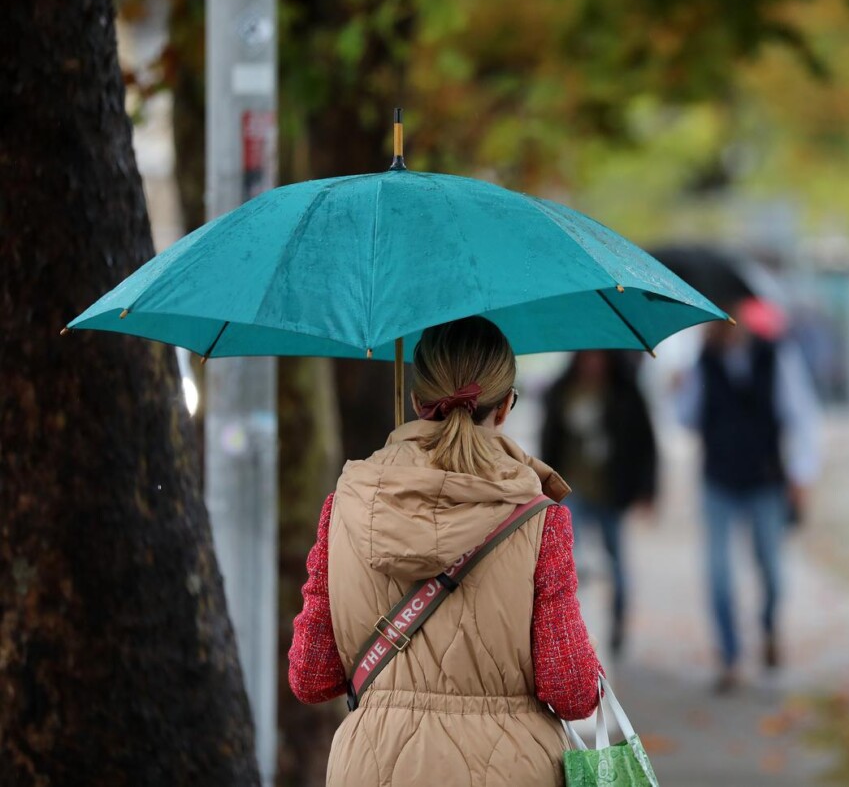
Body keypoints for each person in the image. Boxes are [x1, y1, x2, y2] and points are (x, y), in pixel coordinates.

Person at [288, 317, 601, 787]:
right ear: (505, 407)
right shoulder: (540, 520)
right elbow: (573, 690)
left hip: (372, 769)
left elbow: (311, 677)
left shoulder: (344, 507)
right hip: (512, 770)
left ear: (417, 400)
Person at [676, 298, 821, 693]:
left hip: (765, 479)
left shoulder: (776, 356)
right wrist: (679, 390)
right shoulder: (702, 362)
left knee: (771, 570)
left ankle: (770, 626)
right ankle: (729, 655)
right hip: (718, 480)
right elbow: (686, 417)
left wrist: (801, 474)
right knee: (718, 574)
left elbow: (802, 415)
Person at [540, 351, 658, 658]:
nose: (593, 363)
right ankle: (571, 624)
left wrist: (647, 490)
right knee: (569, 558)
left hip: (611, 490)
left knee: (616, 559)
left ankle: (618, 619)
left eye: (599, 357)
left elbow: (645, 442)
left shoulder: (625, 390)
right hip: (572, 487)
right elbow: (549, 439)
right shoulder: (562, 389)